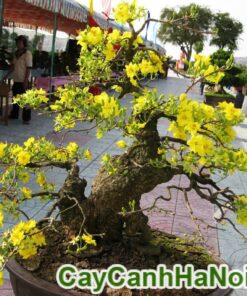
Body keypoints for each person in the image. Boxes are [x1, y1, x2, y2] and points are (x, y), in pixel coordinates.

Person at [4, 35, 33, 124]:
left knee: (26, 100)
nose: (18, 44)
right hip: (16, 80)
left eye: (20, 43)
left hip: (24, 81)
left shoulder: (27, 54)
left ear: (24, 44)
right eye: (17, 43)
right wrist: (6, 75)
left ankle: (26, 119)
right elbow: (13, 66)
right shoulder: (16, 53)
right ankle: (14, 115)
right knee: (15, 99)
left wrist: (25, 81)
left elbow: (28, 68)